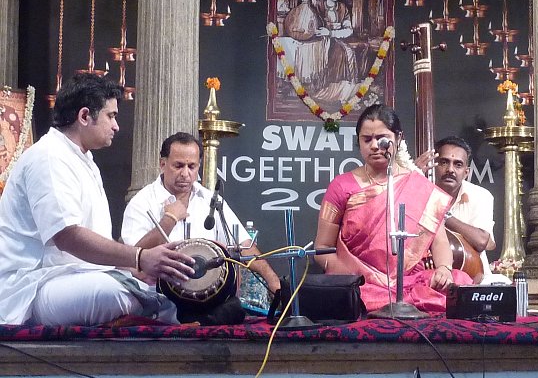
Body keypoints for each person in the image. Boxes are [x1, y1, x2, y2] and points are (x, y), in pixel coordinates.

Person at [0, 74, 194, 326]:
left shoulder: (83, 160)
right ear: (84, 116)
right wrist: (139, 257)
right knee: (113, 293)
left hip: (76, 277)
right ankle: (164, 313)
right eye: (111, 116)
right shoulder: (48, 156)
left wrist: (133, 268)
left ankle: (165, 310)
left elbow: (94, 241)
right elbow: (68, 237)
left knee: (149, 286)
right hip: (33, 287)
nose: (116, 126)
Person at [314, 104, 471, 313]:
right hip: (362, 283)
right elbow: (322, 250)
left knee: (461, 282)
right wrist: (354, 279)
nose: (374, 146)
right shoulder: (341, 186)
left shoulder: (419, 186)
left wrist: (444, 269)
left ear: (398, 138)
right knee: (353, 297)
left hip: (411, 282)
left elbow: (439, 241)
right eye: (366, 139)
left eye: (382, 138)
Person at [121, 132, 281, 295]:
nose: (185, 174)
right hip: (157, 295)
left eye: (191, 167)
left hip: (208, 297)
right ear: (163, 164)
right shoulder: (142, 202)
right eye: (178, 166)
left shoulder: (210, 200)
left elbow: (243, 245)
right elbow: (133, 258)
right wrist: (169, 220)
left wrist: (273, 281)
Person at [431, 136, 511, 285]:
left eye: (458, 164)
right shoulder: (423, 194)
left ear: (466, 172)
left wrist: (444, 215)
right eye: (444, 162)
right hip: (432, 276)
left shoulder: (480, 196)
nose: (450, 169)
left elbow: (481, 241)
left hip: (475, 278)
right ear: (434, 166)